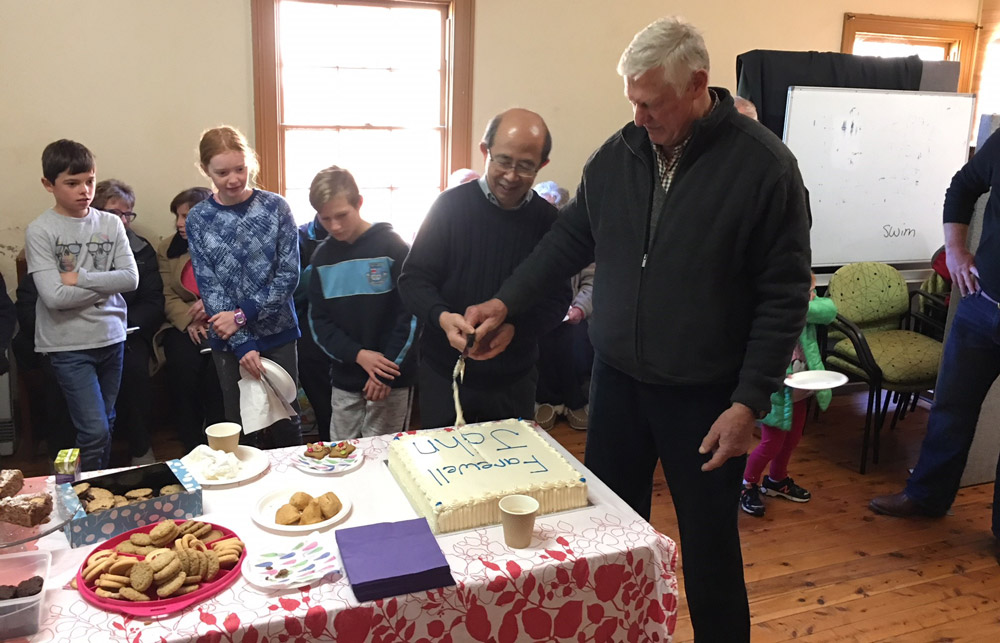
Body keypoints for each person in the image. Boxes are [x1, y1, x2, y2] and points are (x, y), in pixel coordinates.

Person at [464, 18, 811, 641]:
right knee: (611, 538)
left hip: (706, 399)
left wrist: (748, 402)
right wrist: (505, 303)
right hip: (617, 384)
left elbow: (783, 296)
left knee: (709, 548)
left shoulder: (765, 168)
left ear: (698, 85)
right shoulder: (619, 153)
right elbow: (567, 242)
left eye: (650, 102)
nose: (638, 115)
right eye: (632, 99)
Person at [869, 128, 1000, 557]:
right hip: (983, 307)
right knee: (949, 408)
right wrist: (956, 249)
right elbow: (962, 187)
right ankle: (926, 497)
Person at [398, 108, 572, 428]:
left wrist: (516, 330)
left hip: (514, 380)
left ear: (542, 165)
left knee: (513, 474)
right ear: (484, 151)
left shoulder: (549, 222)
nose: (511, 175)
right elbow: (413, 280)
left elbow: (558, 299)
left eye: (525, 166)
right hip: (445, 375)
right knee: (443, 471)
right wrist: (442, 317)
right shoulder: (449, 207)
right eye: (503, 161)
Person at [24, 140, 139, 470]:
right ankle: (86, 494)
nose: (84, 190)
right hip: (68, 345)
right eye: (72, 183)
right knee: (94, 429)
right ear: (49, 184)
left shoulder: (110, 223)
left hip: (112, 336)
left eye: (89, 180)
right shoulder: (41, 230)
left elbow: (130, 279)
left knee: (107, 422)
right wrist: (105, 284)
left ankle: (99, 487)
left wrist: (79, 277)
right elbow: (54, 298)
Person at [185, 126, 302, 448]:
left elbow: (289, 275)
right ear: (205, 170)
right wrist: (241, 342)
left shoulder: (276, 208)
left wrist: (242, 315)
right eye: (222, 172)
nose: (233, 179)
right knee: (239, 425)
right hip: (228, 342)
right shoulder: (198, 219)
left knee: (287, 421)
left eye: (240, 169)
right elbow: (210, 289)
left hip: (278, 331)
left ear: (250, 162)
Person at [307, 166, 419, 438]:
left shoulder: (393, 247)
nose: (334, 226)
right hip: (346, 378)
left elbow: (411, 315)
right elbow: (319, 323)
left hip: (391, 379)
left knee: (383, 453)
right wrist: (359, 355)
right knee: (342, 453)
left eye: (342, 215)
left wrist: (384, 371)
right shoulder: (322, 259)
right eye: (326, 219)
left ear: (359, 203)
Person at [741, 273, 836, 517]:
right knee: (771, 442)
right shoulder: (766, 306)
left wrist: (802, 303)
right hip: (776, 387)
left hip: (801, 386)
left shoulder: (807, 305)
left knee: (792, 439)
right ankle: (746, 483)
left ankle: (777, 480)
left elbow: (828, 310)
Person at [92, 179, 164, 465]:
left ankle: (140, 448)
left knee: (133, 371)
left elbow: (153, 300)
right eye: (114, 213)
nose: (122, 221)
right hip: (81, 331)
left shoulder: (141, 249)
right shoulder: (77, 244)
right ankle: (78, 458)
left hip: (128, 332)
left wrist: (124, 324)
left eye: (127, 214)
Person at [154, 187, 226, 451]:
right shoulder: (167, 247)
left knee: (216, 373)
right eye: (177, 216)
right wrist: (190, 321)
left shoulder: (226, 243)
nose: (179, 223)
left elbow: (238, 287)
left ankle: (221, 442)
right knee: (183, 368)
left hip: (223, 319)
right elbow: (166, 294)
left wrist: (213, 309)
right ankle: (192, 444)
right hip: (183, 324)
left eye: (186, 216)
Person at [531, 180, 595, 431]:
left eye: (554, 208)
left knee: (574, 340)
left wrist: (579, 308)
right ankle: (546, 401)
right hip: (538, 313)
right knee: (538, 338)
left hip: (572, 312)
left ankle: (573, 401)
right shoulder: (527, 239)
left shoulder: (580, 241)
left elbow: (592, 281)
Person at [294, 195, 333, 441]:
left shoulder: (366, 239)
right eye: (327, 216)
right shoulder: (298, 237)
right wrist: (322, 265)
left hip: (352, 331)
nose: (335, 225)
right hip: (309, 331)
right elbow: (291, 293)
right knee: (326, 408)